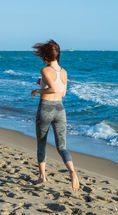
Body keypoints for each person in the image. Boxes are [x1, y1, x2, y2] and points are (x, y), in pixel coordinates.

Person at [31, 39, 79, 192]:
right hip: (60, 109)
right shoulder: (64, 72)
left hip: (46, 108)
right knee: (62, 146)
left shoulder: (45, 70)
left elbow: (52, 89)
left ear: (46, 56)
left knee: (41, 143)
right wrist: (42, 84)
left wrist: (37, 90)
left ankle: (42, 177)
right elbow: (62, 92)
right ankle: (72, 172)